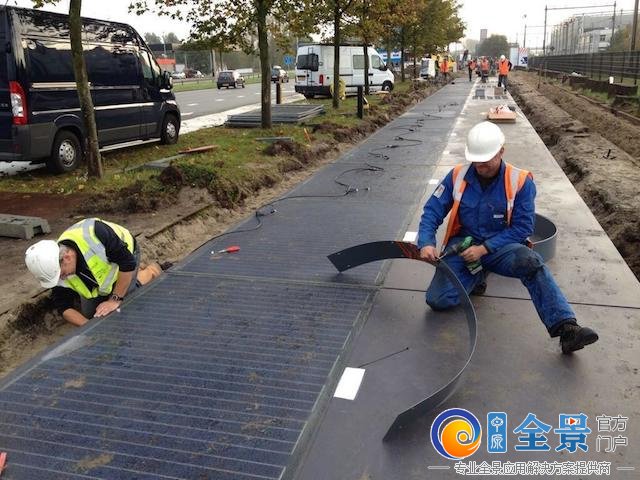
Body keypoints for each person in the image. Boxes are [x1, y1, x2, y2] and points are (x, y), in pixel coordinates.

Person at [417, 122, 599, 354]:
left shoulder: (521, 181)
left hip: (500, 247)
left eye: (487, 159)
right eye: (477, 160)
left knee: (530, 262)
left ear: (501, 151)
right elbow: (432, 210)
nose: (481, 166)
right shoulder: (456, 176)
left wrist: (484, 249)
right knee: (438, 300)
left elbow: (523, 227)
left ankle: (567, 328)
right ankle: (477, 274)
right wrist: (426, 242)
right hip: (463, 246)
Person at [25, 218, 162, 327]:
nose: (61, 278)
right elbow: (64, 307)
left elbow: (127, 263)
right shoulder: (54, 268)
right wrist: (90, 327)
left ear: (67, 257)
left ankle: (149, 272)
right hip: (101, 280)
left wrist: (115, 299)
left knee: (124, 306)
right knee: (94, 315)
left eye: (61, 274)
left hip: (126, 258)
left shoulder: (96, 234)